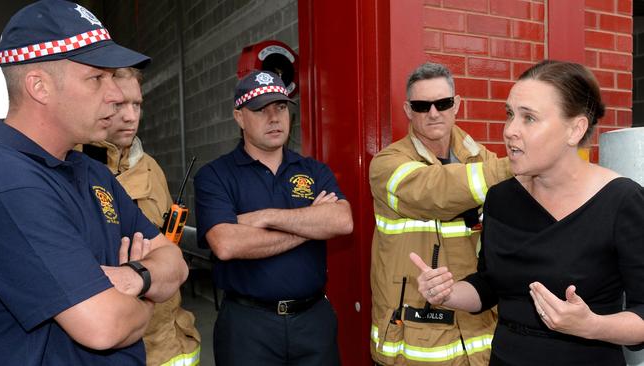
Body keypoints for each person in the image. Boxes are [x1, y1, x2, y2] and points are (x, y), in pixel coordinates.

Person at [411, 60, 644, 366]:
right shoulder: (501, 198)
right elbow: (489, 284)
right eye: (510, 114)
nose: (510, 130)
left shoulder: (621, 201)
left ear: (575, 129)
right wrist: (449, 293)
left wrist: (591, 325)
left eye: (529, 118)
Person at [0, 1, 188, 365]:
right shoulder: (8, 181)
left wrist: (132, 279)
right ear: (40, 87)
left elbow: (175, 262)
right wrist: (148, 294)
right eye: (97, 78)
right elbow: (106, 327)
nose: (115, 95)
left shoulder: (91, 170)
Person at [194, 69, 353, 366]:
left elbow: (342, 221)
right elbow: (226, 243)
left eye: (280, 107)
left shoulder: (313, 170)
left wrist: (264, 217)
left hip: (313, 321)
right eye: (261, 110)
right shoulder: (215, 176)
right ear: (239, 117)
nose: (274, 117)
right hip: (247, 326)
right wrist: (311, 225)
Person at [369, 62, 513, 365]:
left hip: (479, 338)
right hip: (414, 340)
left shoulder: (482, 158)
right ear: (408, 110)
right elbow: (433, 191)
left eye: (443, 103)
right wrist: (517, 165)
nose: (433, 113)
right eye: (422, 106)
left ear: (456, 104)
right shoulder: (387, 164)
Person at [81, 67, 201, 366]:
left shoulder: (151, 168)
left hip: (170, 341)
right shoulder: (73, 168)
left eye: (137, 104)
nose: (131, 116)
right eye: (119, 104)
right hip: (114, 343)